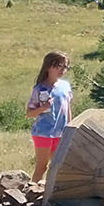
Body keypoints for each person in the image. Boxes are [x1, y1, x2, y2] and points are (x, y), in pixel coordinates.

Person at [25, 51, 72, 190]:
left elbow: (68, 108)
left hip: (61, 133)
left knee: (58, 166)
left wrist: (70, 127)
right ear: (48, 67)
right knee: (42, 166)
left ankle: (52, 192)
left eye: (65, 67)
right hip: (43, 132)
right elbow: (29, 113)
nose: (62, 70)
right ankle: (31, 193)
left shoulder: (65, 86)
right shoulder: (39, 88)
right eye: (58, 66)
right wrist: (44, 107)